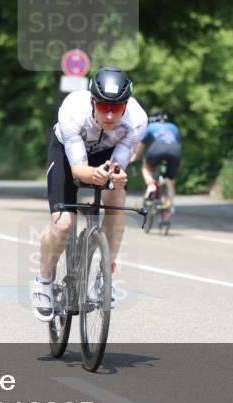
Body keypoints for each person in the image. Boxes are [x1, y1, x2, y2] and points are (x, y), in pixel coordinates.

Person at [31, 67, 147, 322]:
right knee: (63, 224)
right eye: (103, 106)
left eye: (116, 109)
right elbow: (78, 168)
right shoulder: (73, 109)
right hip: (67, 152)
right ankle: (43, 281)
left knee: (117, 198)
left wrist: (117, 175)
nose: (108, 114)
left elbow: (119, 163)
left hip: (106, 153)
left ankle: (105, 275)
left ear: (126, 106)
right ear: (93, 101)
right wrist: (90, 174)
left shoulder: (137, 120)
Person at [133, 111, 183, 215]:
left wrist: (134, 157)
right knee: (171, 179)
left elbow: (142, 144)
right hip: (175, 149)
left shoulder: (151, 126)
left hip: (158, 147)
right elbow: (179, 144)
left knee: (146, 166)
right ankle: (169, 205)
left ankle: (151, 185)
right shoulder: (173, 126)